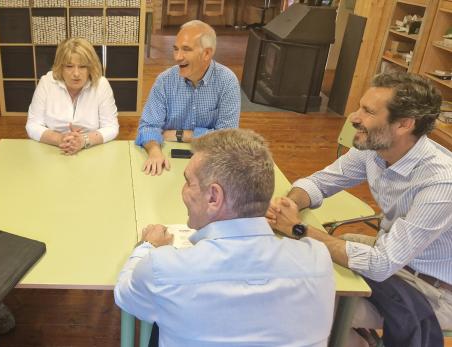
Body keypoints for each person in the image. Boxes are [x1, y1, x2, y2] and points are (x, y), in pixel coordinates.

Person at [267, 71, 452, 347]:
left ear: (404, 124)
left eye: (367, 111)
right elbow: (319, 182)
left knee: (302, 304)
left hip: (430, 291)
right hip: (392, 258)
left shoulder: (441, 182)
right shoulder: (375, 149)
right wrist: (291, 202)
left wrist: (298, 228)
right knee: (296, 272)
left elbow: (380, 264)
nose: (354, 117)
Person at [115, 129, 335, 346]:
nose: (183, 191)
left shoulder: (162, 268)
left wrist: (147, 246)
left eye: (188, 182)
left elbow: (125, 295)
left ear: (213, 197)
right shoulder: (318, 260)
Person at [135, 20, 240, 176]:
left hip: (210, 164)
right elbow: (148, 126)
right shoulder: (165, 80)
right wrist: (155, 152)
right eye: (175, 49)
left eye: (186, 49)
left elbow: (227, 137)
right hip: (167, 161)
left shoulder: (227, 81)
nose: (177, 57)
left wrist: (181, 135)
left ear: (207, 53)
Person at [26, 37, 119, 155]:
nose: (76, 73)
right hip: (53, 150)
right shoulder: (46, 83)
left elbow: (111, 127)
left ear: (90, 68)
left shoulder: (101, 85)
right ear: (60, 67)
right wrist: (60, 139)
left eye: (82, 66)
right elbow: (32, 125)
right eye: (69, 66)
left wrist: (83, 140)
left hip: (91, 150)